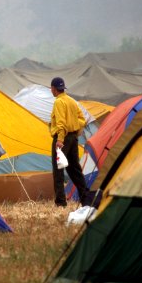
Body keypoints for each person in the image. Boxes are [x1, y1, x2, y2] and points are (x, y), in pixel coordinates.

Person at [49, 77, 88, 208]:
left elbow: (61, 123)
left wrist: (60, 139)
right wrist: (75, 130)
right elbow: (82, 119)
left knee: (58, 169)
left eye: (51, 89)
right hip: (73, 138)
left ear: (53, 89)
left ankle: (60, 202)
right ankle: (86, 199)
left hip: (62, 138)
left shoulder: (59, 102)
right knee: (75, 169)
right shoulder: (72, 101)